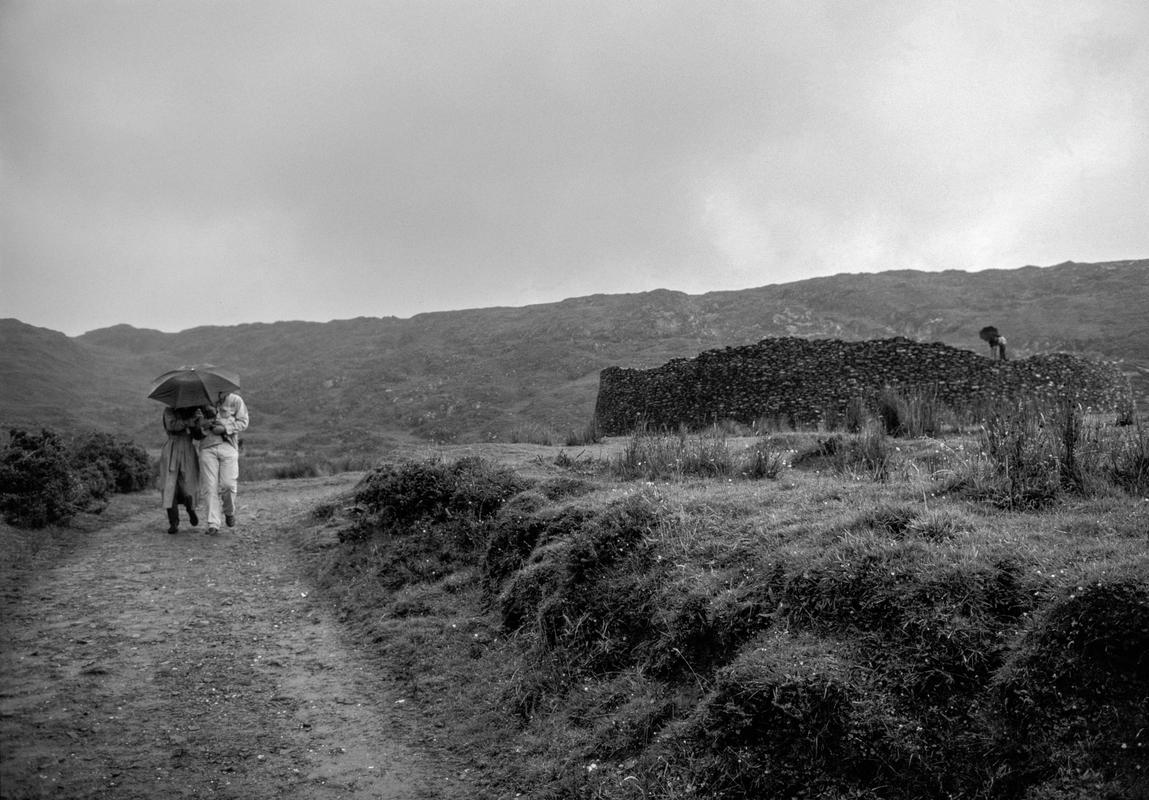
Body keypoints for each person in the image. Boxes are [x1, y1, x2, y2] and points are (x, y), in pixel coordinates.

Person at [197, 390, 250, 535]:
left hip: (229, 445)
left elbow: (244, 422)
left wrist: (225, 428)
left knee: (228, 484)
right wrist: (203, 424)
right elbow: (195, 428)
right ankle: (213, 523)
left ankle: (229, 512)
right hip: (206, 447)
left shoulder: (235, 400)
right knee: (209, 486)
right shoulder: (199, 403)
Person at [159, 406, 203, 534]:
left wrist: (198, 422)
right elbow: (172, 426)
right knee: (169, 485)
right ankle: (173, 522)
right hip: (172, 448)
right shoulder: (168, 411)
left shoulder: (194, 411)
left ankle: (190, 508)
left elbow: (198, 435)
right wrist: (189, 421)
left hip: (188, 448)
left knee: (188, 483)